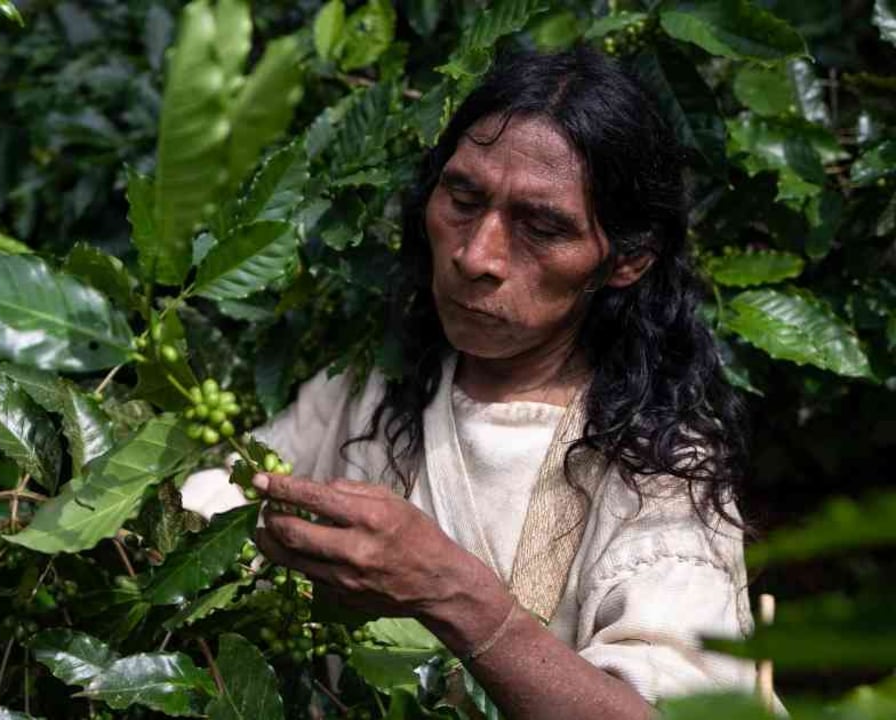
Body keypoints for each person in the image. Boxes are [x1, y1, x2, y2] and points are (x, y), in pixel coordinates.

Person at [182, 47, 768, 718]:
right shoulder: (370, 393)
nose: (476, 255)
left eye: (542, 227)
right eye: (463, 199)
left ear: (625, 262)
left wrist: (453, 593)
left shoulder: (658, 472)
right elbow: (211, 510)